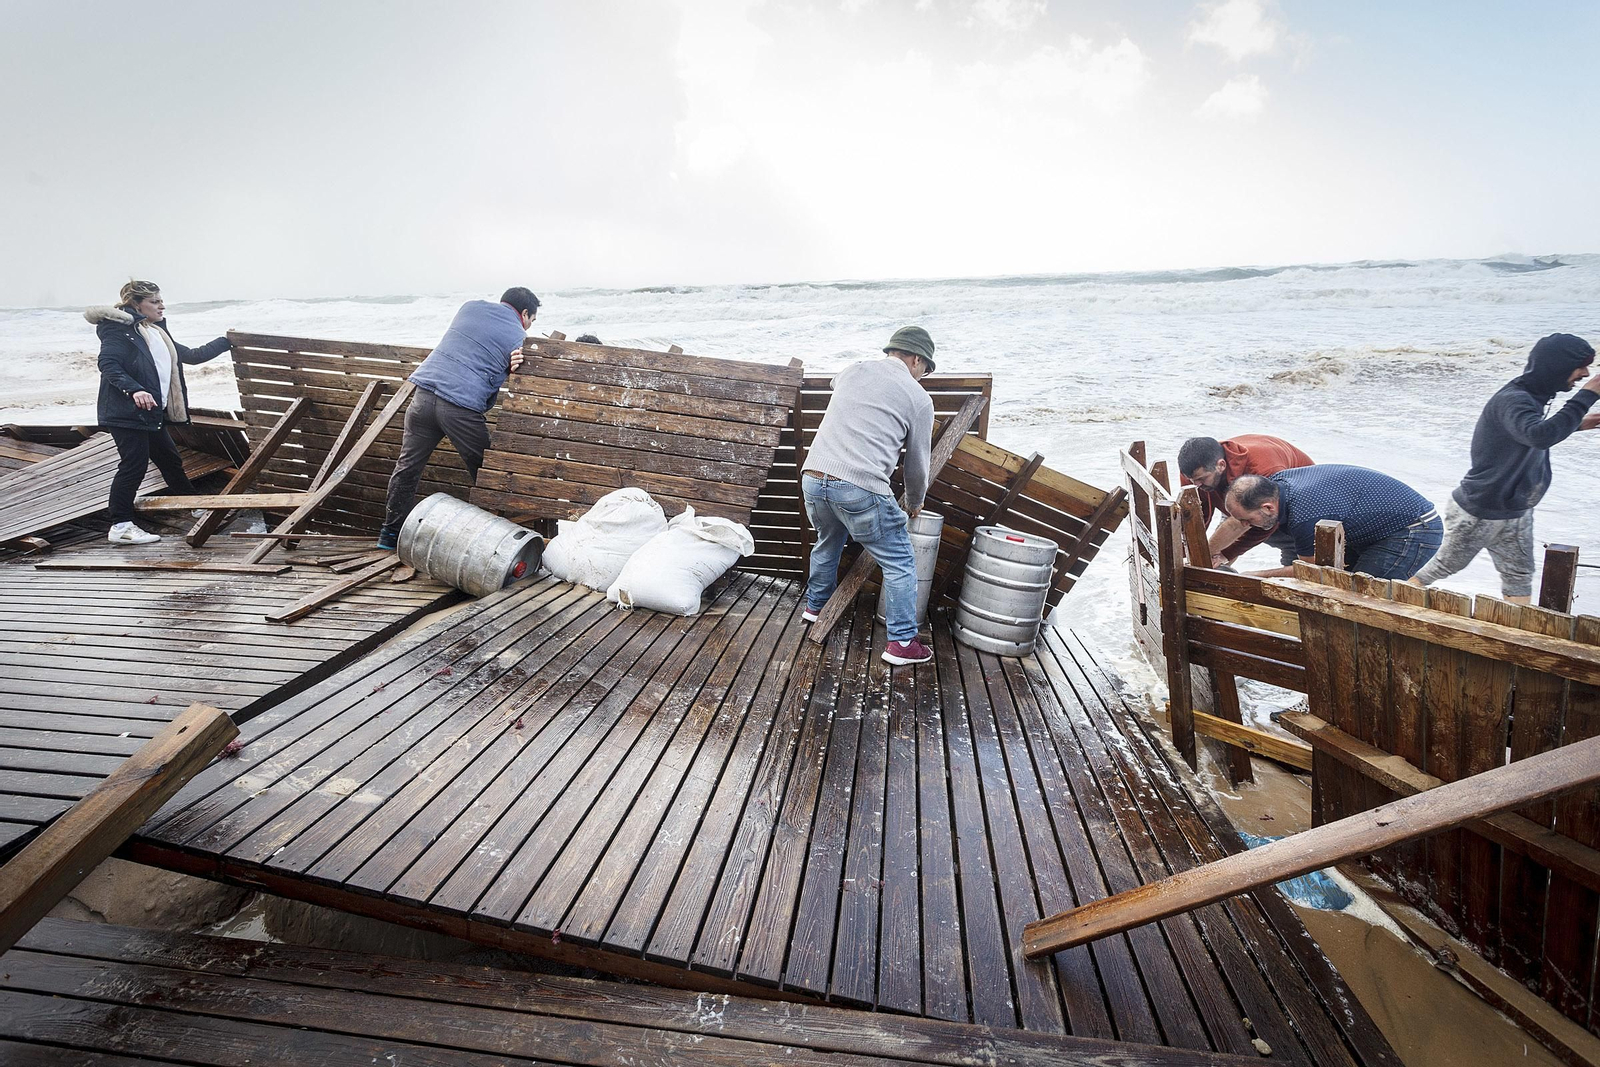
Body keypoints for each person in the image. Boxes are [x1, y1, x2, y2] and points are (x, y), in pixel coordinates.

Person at [1413, 334, 1600, 602]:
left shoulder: (1534, 398)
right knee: (1442, 567)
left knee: (1519, 577)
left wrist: (1577, 424)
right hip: (1481, 509)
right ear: (1557, 366)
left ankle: (1521, 627)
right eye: (1580, 366)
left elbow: (1528, 434)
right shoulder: (1514, 399)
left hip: (1516, 509)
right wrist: (1587, 395)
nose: (1586, 374)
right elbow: (1539, 436)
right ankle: (1391, 605)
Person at [802, 326, 936, 665]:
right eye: (925, 369)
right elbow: (917, 465)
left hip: (814, 476)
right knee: (900, 561)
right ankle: (902, 642)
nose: (922, 376)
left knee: (828, 541)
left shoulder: (852, 370)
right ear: (916, 359)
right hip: (859, 485)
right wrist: (915, 501)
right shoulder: (919, 398)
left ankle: (815, 607)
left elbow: (835, 383)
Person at [378, 287, 539, 548]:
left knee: (407, 468)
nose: (529, 326)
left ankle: (389, 534)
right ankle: (496, 542)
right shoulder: (519, 336)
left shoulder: (469, 307)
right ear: (524, 314)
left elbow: (476, 345)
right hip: (460, 408)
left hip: (423, 396)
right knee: (486, 472)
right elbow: (514, 365)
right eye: (532, 320)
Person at [87, 280, 232, 545]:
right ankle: (120, 526)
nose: (161, 306)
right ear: (136, 304)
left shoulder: (154, 332)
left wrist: (227, 341)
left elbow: (192, 355)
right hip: (127, 412)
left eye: (161, 300)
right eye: (154, 301)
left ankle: (194, 505)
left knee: (169, 459)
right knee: (133, 466)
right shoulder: (119, 330)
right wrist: (135, 390)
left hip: (150, 413)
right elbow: (108, 364)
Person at [1224, 465, 1443, 580]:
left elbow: (1314, 571)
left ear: (1267, 508)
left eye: (1246, 520)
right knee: (1343, 585)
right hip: (1374, 526)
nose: (1244, 526)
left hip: (1413, 527)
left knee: (1361, 594)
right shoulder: (1277, 484)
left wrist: (1255, 575)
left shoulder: (1305, 517)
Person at [1177, 434, 1313, 566]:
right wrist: (1183, 557)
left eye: (1201, 479)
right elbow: (1196, 517)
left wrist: (1218, 556)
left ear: (1221, 465)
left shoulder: (1262, 470)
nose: (1196, 485)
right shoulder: (1194, 473)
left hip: (1297, 504)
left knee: (1297, 556)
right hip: (1241, 499)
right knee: (1217, 552)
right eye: (1193, 480)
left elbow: (1250, 524)